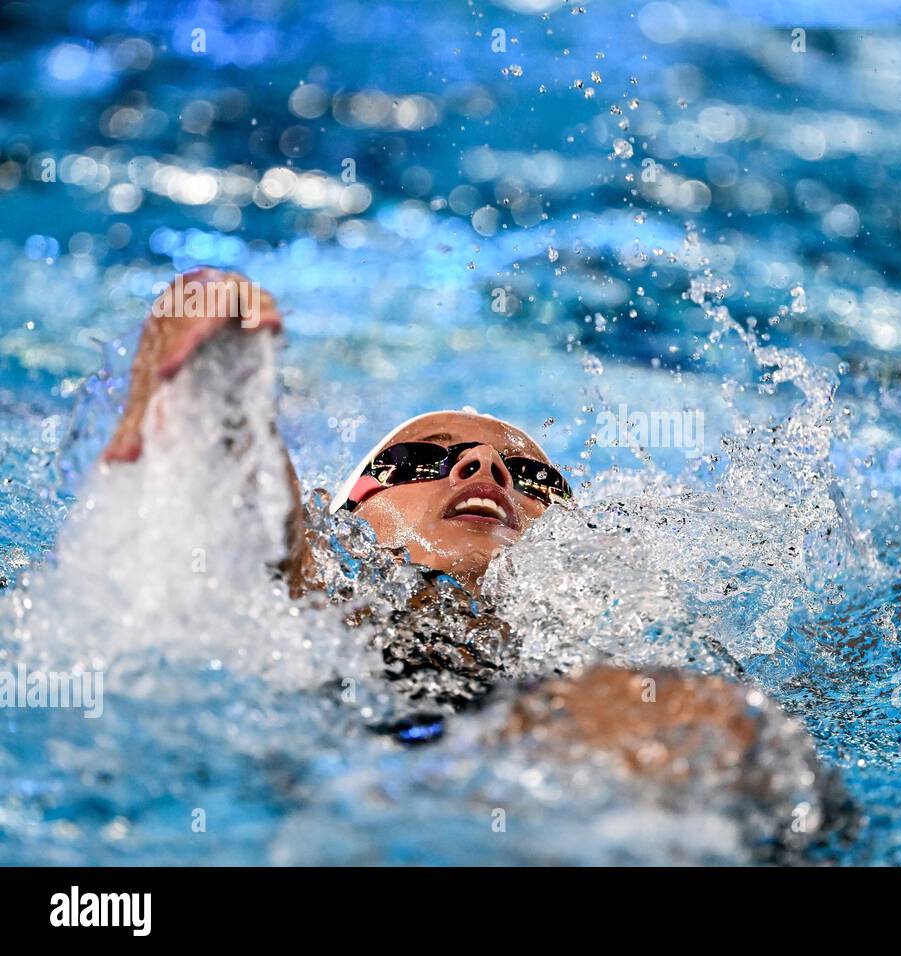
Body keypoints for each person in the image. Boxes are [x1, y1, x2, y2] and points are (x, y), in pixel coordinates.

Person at [99, 268, 849, 858]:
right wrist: (213, 359)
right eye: (426, 459)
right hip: (325, 776)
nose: (485, 470)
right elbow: (264, 518)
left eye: (533, 479)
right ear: (349, 510)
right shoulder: (334, 592)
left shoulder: (616, 660)